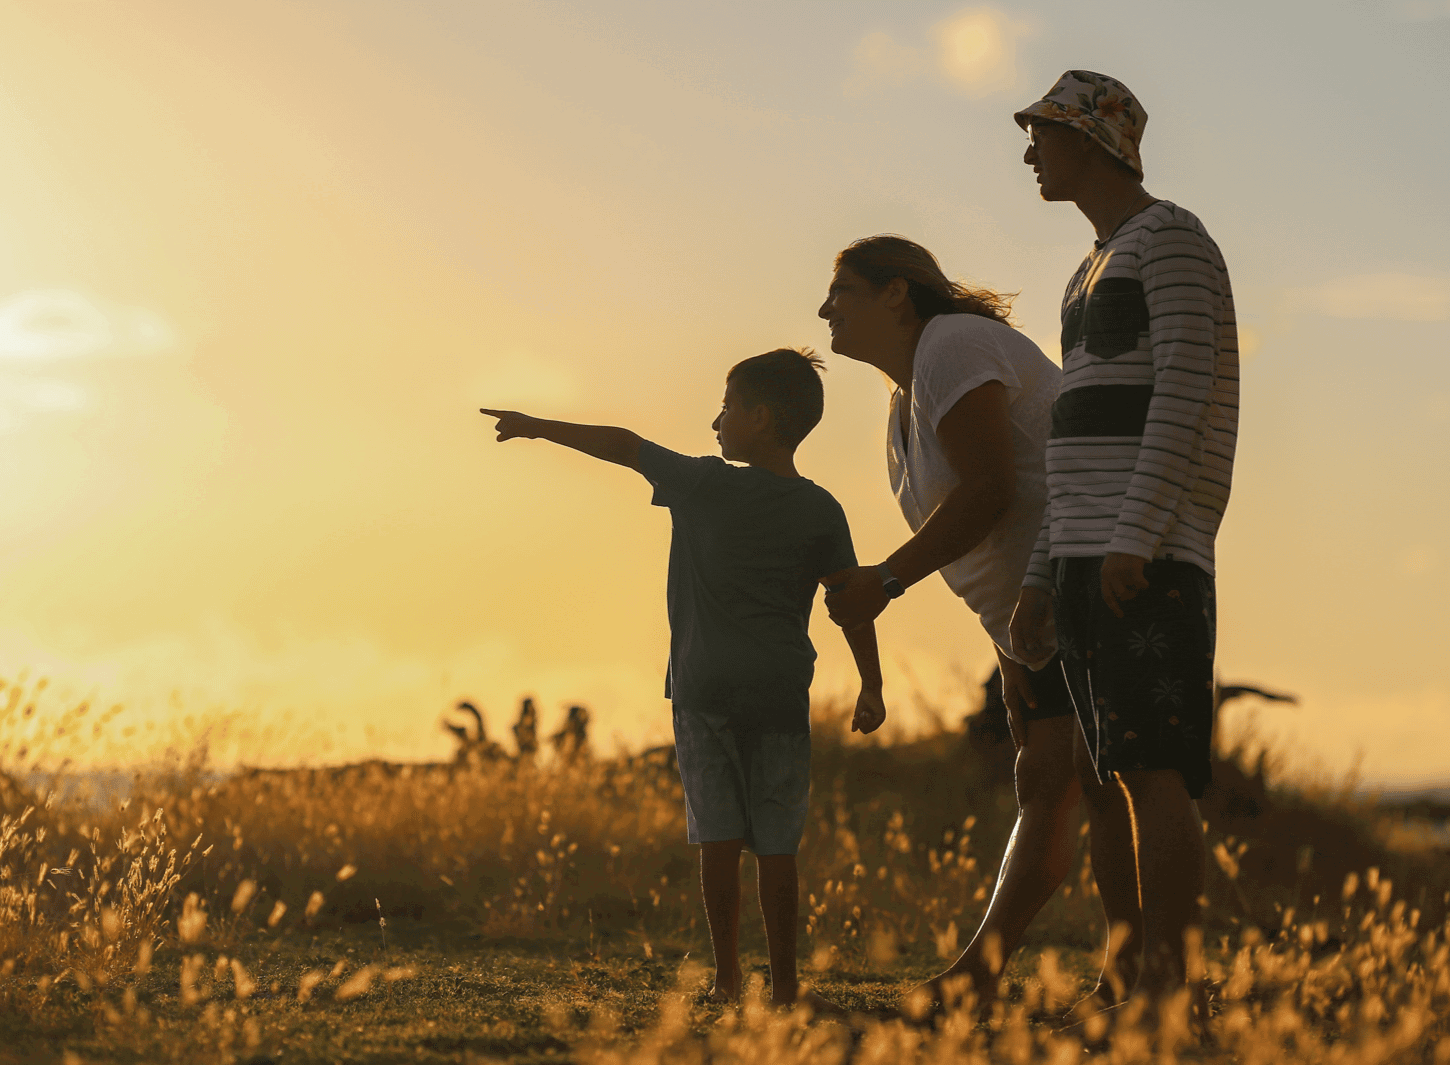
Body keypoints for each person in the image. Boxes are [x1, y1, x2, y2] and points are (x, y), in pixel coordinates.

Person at [480, 348, 886, 1008]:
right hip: (781, 693)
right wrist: (872, 683)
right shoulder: (822, 509)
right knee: (777, 846)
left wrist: (539, 425)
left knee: (717, 837)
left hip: (703, 691)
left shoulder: (704, 483)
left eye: (727, 406)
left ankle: (728, 981)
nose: (717, 419)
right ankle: (784, 986)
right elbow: (849, 600)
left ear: (758, 417)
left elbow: (625, 445)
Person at [817, 236, 1139, 1014]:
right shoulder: (907, 401)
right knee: (1061, 782)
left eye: (843, 291)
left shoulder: (952, 346)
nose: (826, 309)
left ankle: (1035, 974)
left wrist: (886, 579)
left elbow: (992, 489)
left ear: (898, 293)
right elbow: (993, 529)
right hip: (1037, 610)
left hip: (1090, 575)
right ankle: (1118, 970)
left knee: (1092, 782)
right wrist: (1009, 653)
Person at [1008, 70, 1239, 1007]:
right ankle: (1125, 974)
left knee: (1153, 770)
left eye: (1045, 133)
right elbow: (1072, 436)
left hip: (1145, 557)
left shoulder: (1174, 240)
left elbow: (1187, 393)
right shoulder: (1088, 267)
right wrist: (1039, 572)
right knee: (1105, 777)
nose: (1030, 150)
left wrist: (1137, 536)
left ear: (1096, 144)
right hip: (1082, 558)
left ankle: (1168, 992)